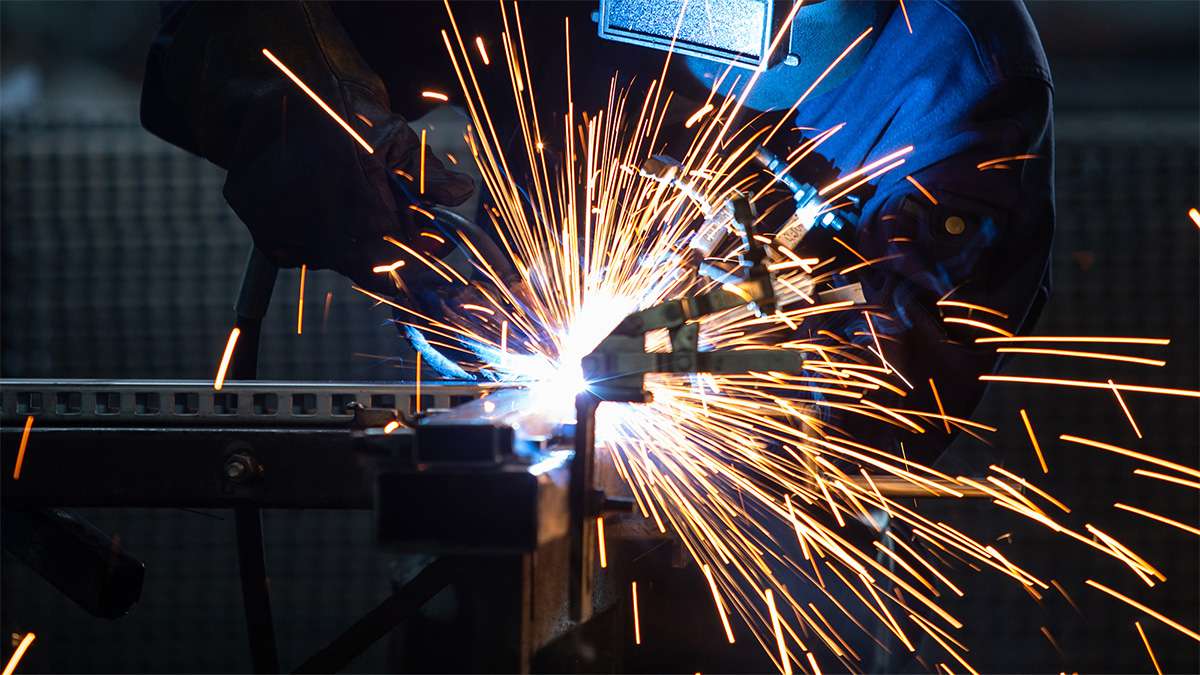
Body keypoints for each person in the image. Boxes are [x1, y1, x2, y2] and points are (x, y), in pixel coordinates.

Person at [141, 2, 1053, 670]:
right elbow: (231, 25)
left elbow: (900, 376)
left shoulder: (952, 65)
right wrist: (313, 117)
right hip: (490, 497)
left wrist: (708, 338)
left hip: (771, 570)